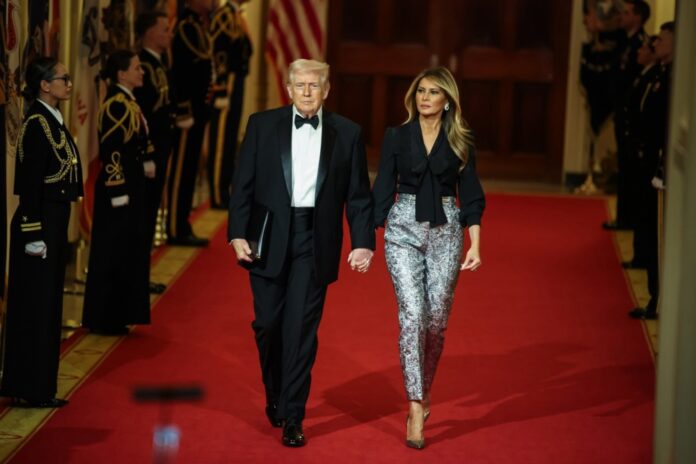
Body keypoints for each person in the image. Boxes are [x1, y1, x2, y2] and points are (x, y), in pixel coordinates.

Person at [228, 59, 374, 447]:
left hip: (315, 239)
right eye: (300, 85)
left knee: (301, 331)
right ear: (289, 89)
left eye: (314, 85)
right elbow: (243, 184)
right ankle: (275, 393)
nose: (307, 92)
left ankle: (294, 415)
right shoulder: (262, 125)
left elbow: (358, 195)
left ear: (326, 90)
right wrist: (237, 233)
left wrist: (362, 241)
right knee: (267, 325)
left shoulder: (348, 133)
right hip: (268, 237)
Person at [372, 66, 485, 449]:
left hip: (446, 232)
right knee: (413, 316)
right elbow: (382, 185)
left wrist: (475, 243)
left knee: (436, 322)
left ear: (447, 100)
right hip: (402, 230)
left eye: (434, 92)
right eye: (420, 90)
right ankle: (416, 406)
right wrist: (365, 240)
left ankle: (425, 386)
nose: (425, 97)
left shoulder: (461, 140)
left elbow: (471, 194)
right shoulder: (396, 136)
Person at [1, 57, 83, 407]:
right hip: (38, 223)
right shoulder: (37, 123)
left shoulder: (52, 120)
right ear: (45, 85)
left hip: (53, 218)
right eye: (64, 78)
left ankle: (39, 386)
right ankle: (30, 387)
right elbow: (29, 184)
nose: (69, 83)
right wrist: (34, 233)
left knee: (47, 304)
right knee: (36, 305)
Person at [82, 50, 152, 335]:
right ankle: (106, 317)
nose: (142, 72)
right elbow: (111, 150)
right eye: (136, 68)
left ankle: (119, 313)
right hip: (118, 189)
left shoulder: (128, 102)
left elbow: (138, 141)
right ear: (122, 74)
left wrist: (147, 161)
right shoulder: (116, 105)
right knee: (113, 252)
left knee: (126, 250)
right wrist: (118, 188)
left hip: (131, 184)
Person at [629, 21, 674, 321]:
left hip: (660, 161)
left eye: (663, 39)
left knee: (656, 229)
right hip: (647, 157)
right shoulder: (660, 73)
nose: (656, 43)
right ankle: (654, 295)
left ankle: (658, 299)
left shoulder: (673, 78)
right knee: (646, 221)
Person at [133, 10, 175, 294]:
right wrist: (148, 154)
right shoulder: (144, 66)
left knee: (150, 212)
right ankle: (137, 277)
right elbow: (144, 115)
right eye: (164, 29)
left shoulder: (158, 62)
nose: (169, 34)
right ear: (149, 32)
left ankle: (141, 274)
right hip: (148, 153)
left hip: (160, 149)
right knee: (144, 214)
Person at [168, 0, 213, 246]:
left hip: (198, 110)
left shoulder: (198, 26)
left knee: (190, 169)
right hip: (188, 112)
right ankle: (176, 227)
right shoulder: (186, 28)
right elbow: (181, 73)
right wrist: (184, 108)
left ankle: (182, 224)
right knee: (182, 171)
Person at [604, 0, 650, 231]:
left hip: (629, 114)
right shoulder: (626, 41)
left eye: (628, 12)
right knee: (624, 166)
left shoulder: (640, 43)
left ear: (638, 17)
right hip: (622, 111)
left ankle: (627, 218)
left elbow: (633, 83)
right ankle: (624, 216)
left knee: (629, 168)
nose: (622, 15)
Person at [208, 0, 252, 209]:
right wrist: (221, 87)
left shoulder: (236, 16)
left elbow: (246, 51)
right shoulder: (224, 15)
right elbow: (219, 52)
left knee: (230, 139)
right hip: (228, 84)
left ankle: (225, 190)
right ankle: (218, 193)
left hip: (238, 81)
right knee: (221, 141)